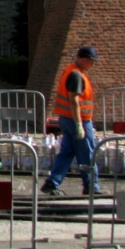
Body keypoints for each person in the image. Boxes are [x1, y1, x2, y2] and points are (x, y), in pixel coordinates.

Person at [41, 46, 102, 196]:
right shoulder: (76, 74)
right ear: (83, 59)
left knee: (67, 152)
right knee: (88, 152)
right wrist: (79, 124)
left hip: (66, 119)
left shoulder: (71, 70)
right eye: (91, 61)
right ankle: (91, 186)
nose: (92, 65)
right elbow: (74, 99)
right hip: (77, 120)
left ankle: (52, 182)